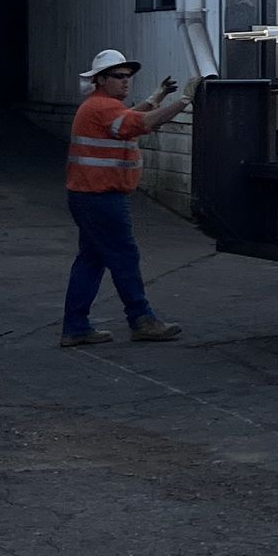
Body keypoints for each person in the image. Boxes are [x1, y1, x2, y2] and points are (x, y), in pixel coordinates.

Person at [61, 50, 194, 347]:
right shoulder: (103, 108)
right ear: (100, 80)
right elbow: (142, 123)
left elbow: (132, 118)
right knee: (124, 257)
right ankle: (141, 319)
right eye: (119, 77)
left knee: (91, 261)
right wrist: (184, 101)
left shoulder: (100, 107)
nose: (126, 82)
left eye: (128, 77)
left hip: (88, 196)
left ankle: (76, 326)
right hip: (101, 199)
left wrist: (157, 96)